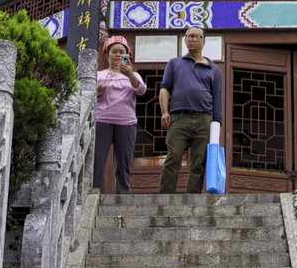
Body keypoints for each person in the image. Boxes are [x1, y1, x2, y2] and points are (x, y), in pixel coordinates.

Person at [157, 26, 220, 194]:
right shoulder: (174, 63)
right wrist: (165, 112)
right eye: (189, 36)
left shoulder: (213, 69)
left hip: (204, 119)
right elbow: (165, 88)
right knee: (173, 157)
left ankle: (193, 197)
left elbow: (217, 96)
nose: (192, 39)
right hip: (179, 117)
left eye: (197, 36)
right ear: (185, 40)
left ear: (203, 41)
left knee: (199, 162)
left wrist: (217, 123)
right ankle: (164, 196)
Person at [92, 39, 146, 194]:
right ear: (106, 55)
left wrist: (130, 74)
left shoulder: (134, 75)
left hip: (126, 122)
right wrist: (98, 89)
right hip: (102, 120)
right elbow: (89, 95)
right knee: (97, 160)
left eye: (122, 52)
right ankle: (93, 193)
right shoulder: (99, 75)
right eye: (114, 52)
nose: (117, 55)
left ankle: (121, 195)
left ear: (128, 56)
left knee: (124, 163)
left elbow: (141, 90)